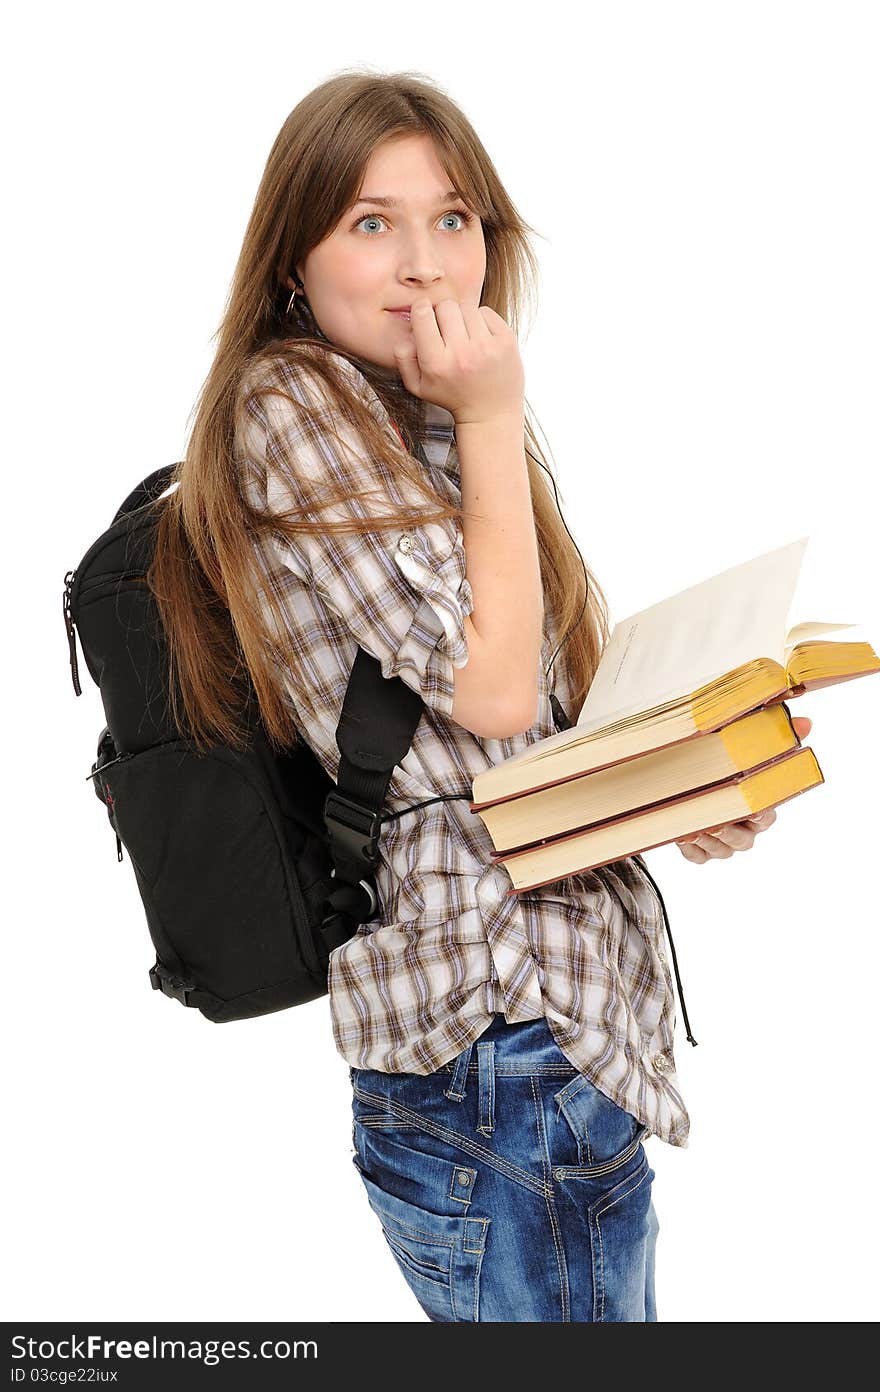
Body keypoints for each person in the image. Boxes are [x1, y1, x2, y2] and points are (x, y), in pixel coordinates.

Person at [147, 69, 811, 1322]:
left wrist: (675, 792)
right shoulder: (293, 402)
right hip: (492, 1049)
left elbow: (517, 741)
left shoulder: (432, 420)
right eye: (370, 223)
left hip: (549, 1044)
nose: (426, 266)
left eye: (454, 221)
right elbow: (495, 699)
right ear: (294, 260)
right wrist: (496, 415)